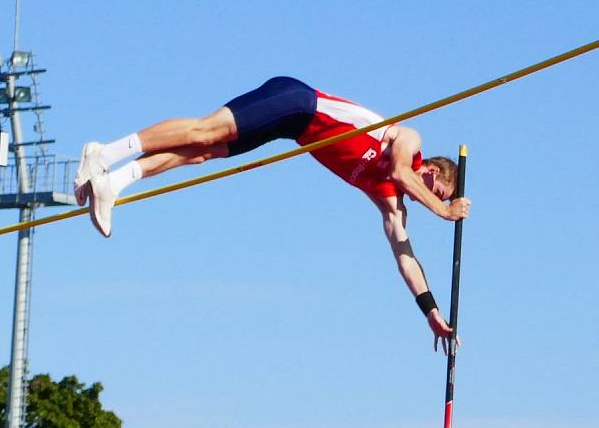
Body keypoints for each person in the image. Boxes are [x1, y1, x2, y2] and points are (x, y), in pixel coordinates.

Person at [74, 76, 472, 349]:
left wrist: (430, 311)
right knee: (205, 131)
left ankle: (116, 181)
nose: (424, 199)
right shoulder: (409, 144)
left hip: (290, 129)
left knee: (205, 154)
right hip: (298, 101)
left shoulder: (388, 197)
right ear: (432, 171)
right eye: (432, 190)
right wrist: (445, 209)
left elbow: (405, 256)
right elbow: (404, 172)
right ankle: (105, 153)